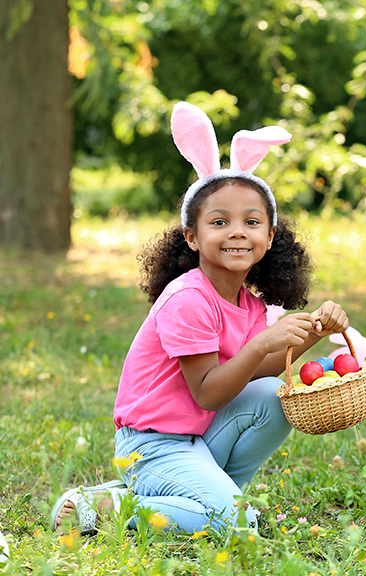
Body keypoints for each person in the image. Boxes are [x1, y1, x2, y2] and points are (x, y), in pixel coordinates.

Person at [51, 101, 349, 535]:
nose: (236, 231)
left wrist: (311, 333)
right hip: (152, 445)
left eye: (251, 221)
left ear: (269, 237)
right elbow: (210, 392)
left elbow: (253, 372)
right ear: (192, 236)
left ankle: (211, 495)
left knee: (273, 394)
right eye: (219, 221)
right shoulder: (188, 298)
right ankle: (114, 507)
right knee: (238, 523)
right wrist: (264, 343)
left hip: (198, 438)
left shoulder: (247, 303)